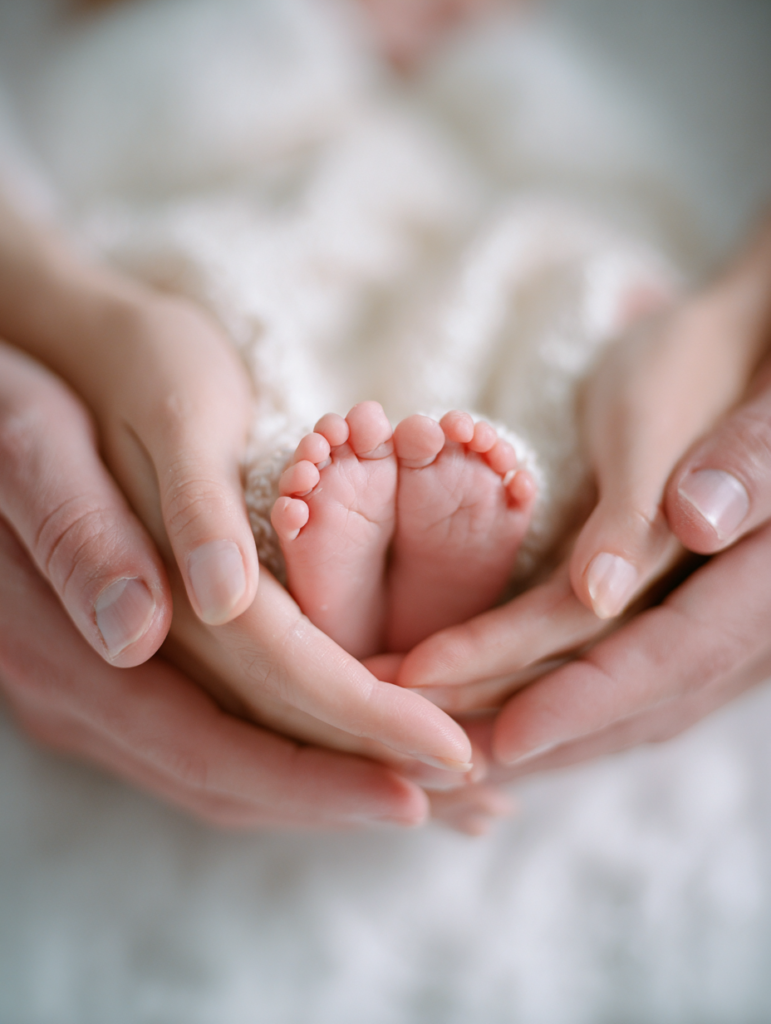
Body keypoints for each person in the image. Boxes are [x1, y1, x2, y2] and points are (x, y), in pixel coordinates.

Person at [1, 0, 770, 837]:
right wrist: (48, 306)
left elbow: (606, 178)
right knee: (213, 315)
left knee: (571, 288)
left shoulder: (502, 64)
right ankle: (328, 533)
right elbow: (127, 147)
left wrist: (482, 58)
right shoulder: (165, 45)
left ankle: (448, 523)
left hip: (458, 229)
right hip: (261, 223)